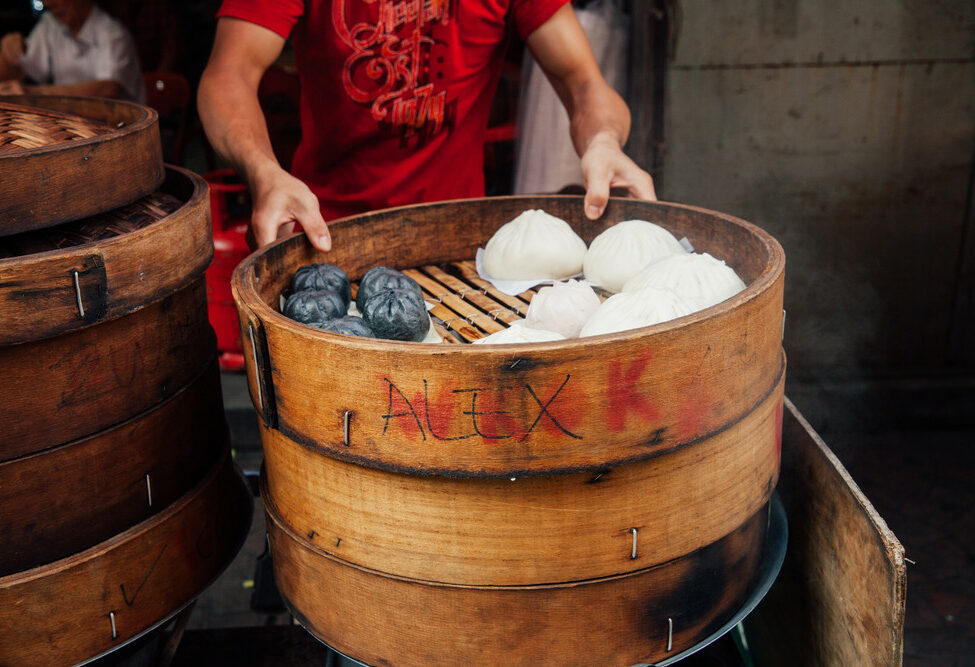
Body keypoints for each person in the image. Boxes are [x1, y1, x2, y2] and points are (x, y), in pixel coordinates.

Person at [198, 1, 656, 253]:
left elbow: (583, 82)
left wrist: (603, 141)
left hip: (458, 241)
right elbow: (228, 74)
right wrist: (264, 171)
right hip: (326, 236)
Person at [0, 0, 144, 103]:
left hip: (119, 131)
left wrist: (33, 93)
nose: (48, 3)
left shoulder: (113, 34)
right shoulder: (50, 24)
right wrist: (7, 52)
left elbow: (108, 90)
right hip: (72, 129)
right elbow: (20, 70)